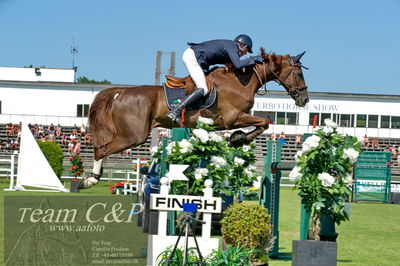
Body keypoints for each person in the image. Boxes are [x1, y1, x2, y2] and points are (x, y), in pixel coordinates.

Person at [167, 34, 263, 125]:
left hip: (197, 59)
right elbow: (238, 64)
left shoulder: (230, 48)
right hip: (192, 57)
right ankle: (175, 111)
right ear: (242, 45)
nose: (245, 53)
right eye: (246, 50)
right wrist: (253, 59)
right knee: (203, 88)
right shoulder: (232, 46)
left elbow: (232, 67)